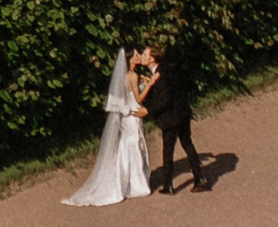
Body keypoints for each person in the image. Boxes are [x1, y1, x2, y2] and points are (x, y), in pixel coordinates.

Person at [62, 40, 151, 206]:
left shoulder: (126, 76)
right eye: (137, 55)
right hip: (133, 115)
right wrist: (150, 84)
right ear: (130, 59)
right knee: (132, 145)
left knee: (126, 145)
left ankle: (126, 181)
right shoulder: (133, 75)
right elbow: (139, 98)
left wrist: (143, 83)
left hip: (127, 115)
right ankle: (135, 184)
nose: (139, 56)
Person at [137, 46, 203, 192]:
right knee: (187, 143)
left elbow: (164, 100)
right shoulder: (165, 69)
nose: (141, 56)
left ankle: (168, 185)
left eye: (144, 54)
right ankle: (199, 177)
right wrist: (150, 84)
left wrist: (147, 110)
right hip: (182, 112)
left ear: (152, 58)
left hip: (172, 117)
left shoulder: (160, 75)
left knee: (168, 151)